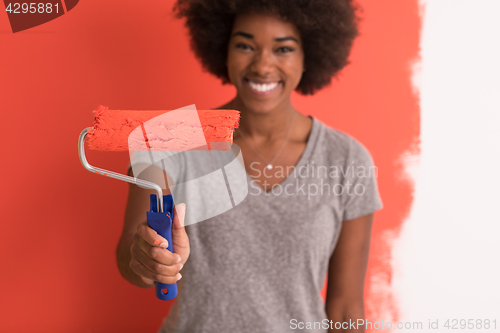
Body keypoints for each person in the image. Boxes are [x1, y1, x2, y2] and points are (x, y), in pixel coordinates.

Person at [116, 0, 383, 332]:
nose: (262, 65)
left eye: (283, 49)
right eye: (245, 45)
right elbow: (133, 261)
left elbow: (345, 311)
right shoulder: (168, 141)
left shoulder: (346, 160)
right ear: (223, 49)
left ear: (307, 56)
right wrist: (147, 257)